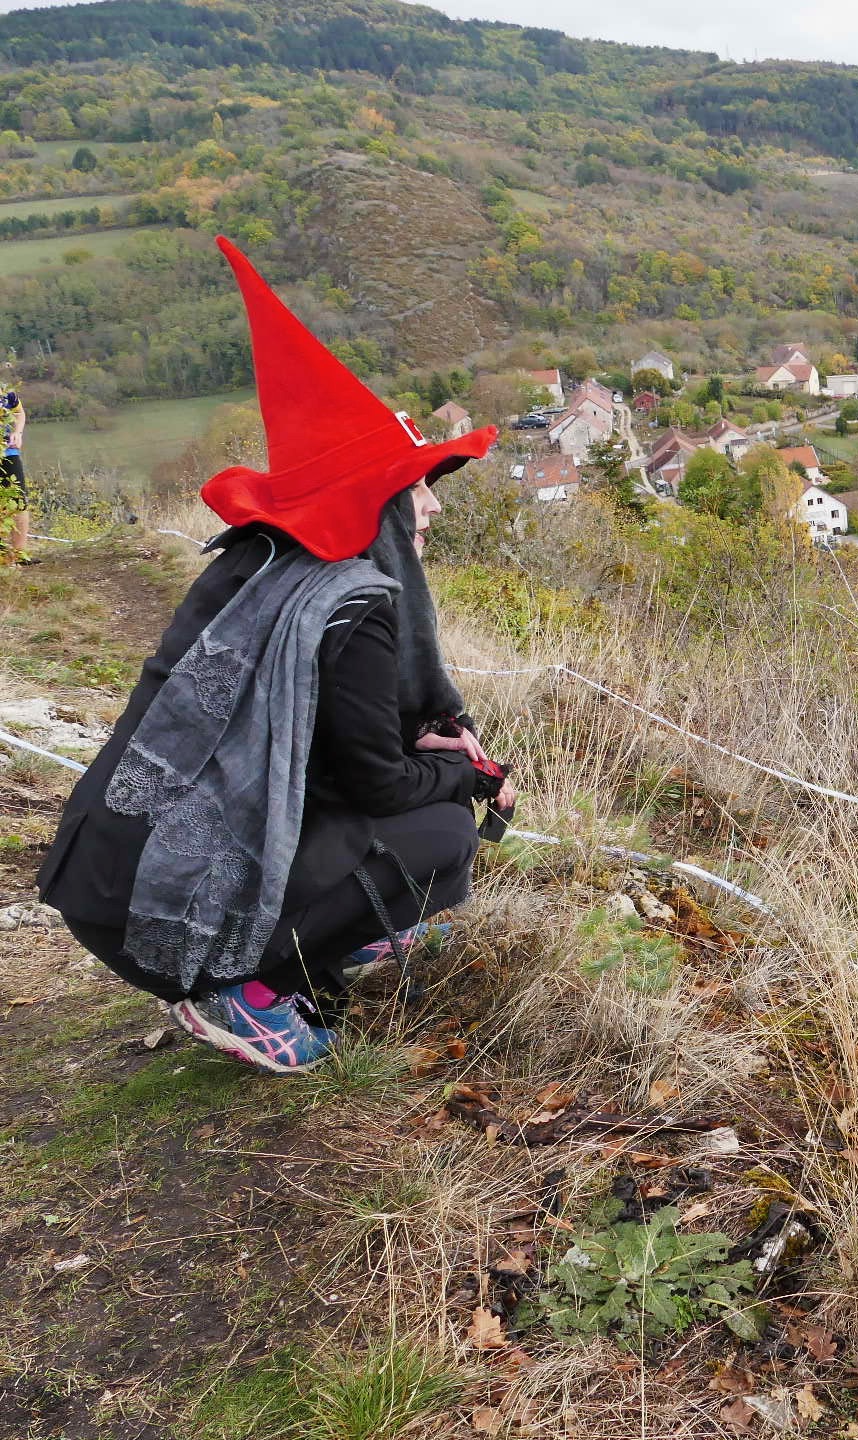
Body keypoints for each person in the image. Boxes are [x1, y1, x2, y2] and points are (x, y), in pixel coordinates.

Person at [37, 237, 512, 1074]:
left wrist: (423, 747)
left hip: (104, 877)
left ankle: (303, 946)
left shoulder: (261, 570)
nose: (431, 508)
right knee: (442, 833)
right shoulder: (351, 609)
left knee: (404, 814)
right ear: (376, 507)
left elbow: (323, 754)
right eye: (415, 490)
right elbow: (375, 785)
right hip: (157, 916)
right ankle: (237, 984)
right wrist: (468, 778)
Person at [1, 383, 31, 565]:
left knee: (18, 501)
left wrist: (17, 432)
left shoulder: (5, 393)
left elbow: (19, 412)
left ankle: (19, 555)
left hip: (8, 451)